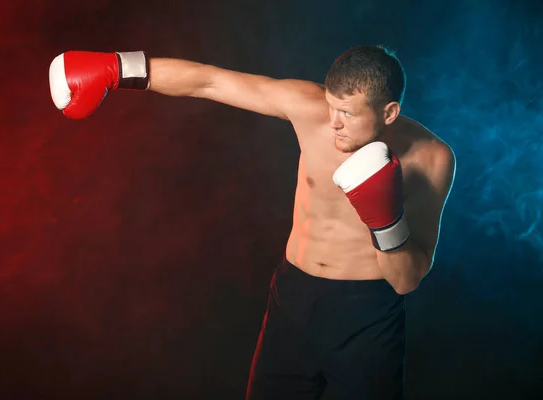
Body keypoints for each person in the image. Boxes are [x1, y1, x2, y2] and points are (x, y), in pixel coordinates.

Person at [49, 45, 455, 399]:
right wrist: (116, 68)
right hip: (294, 301)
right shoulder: (310, 108)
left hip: (368, 317)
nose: (333, 122)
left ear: (389, 112)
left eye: (347, 113)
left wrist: (385, 224)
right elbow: (210, 82)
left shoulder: (432, 159)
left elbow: (407, 280)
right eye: (331, 106)